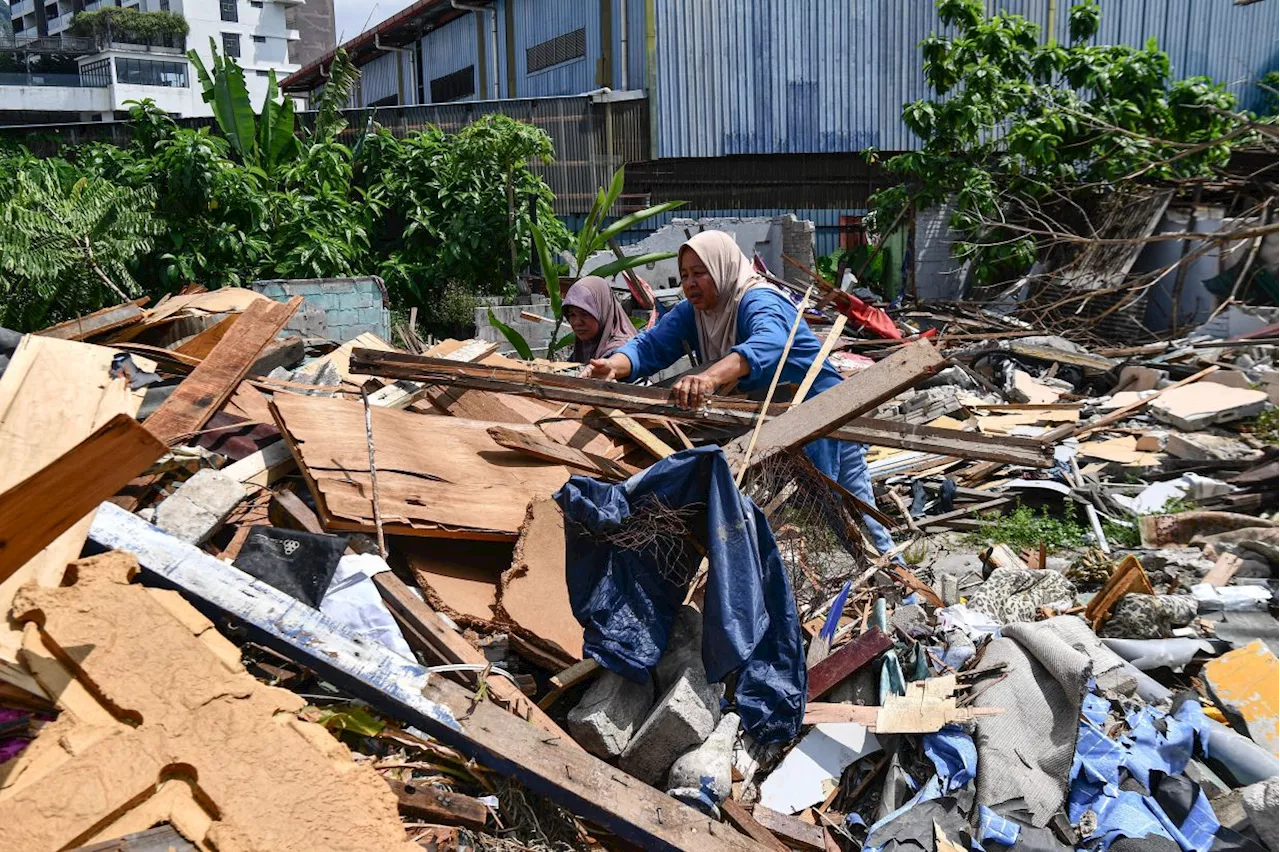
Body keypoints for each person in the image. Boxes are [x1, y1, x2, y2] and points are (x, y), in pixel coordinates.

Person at [582, 230, 898, 559]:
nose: (689, 283)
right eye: (685, 275)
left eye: (699, 273)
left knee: (848, 512)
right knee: (807, 517)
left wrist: (708, 378)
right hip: (779, 424)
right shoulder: (696, 312)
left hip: (823, 416)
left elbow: (770, 341)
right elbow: (651, 345)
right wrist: (614, 366)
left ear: (722, 267)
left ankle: (900, 594)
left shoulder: (757, 298)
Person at [562, 275, 637, 365]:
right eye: (572, 315)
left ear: (603, 310)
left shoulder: (620, 354)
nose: (577, 322)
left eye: (584, 314)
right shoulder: (585, 347)